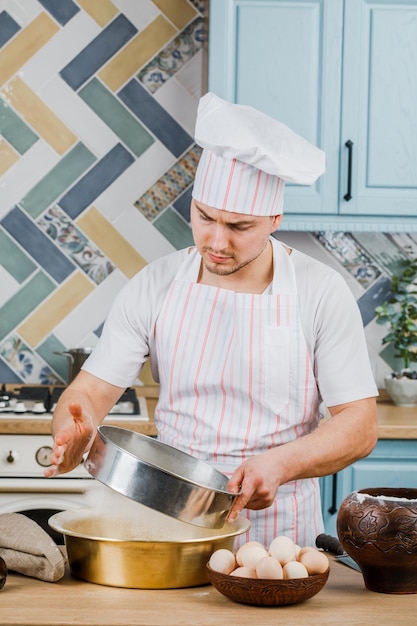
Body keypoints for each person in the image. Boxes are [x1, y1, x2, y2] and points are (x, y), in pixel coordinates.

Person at [45, 93, 378, 548]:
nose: (217, 241)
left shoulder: (320, 291)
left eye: (239, 227)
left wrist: (280, 464)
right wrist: (71, 431)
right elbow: (89, 394)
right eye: (204, 217)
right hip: (165, 526)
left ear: (274, 219)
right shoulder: (155, 285)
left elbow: (359, 425)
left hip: (277, 538)